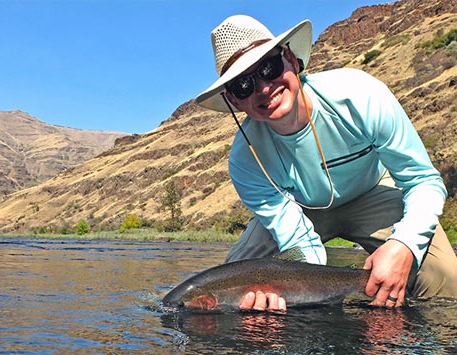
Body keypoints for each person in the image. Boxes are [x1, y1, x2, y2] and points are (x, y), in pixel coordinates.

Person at [194, 15, 457, 311]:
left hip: (372, 193)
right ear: (234, 101)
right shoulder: (245, 160)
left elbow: (424, 182)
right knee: (229, 292)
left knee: (444, 276)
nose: (264, 88)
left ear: (292, 60)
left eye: (269, 67)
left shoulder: (360, 96)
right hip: (299, 211)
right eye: (244, 86)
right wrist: (286, 292)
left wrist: (404, 246)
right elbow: (297, 240)